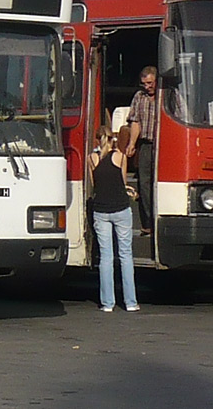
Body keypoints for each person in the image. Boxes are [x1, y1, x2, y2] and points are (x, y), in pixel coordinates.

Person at [90, 125, 139, 312]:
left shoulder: (91, 159)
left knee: (106, 257)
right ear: (112, 140)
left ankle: (107, 303)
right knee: (125, 255)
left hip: (101, 211)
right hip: (120, 209)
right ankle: (131, 302)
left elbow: (96, 185)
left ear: (98, 140)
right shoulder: (120, 157)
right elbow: (122, 182)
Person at [126, 66, 158, 236]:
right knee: (144, 184)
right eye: (144, 84)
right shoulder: (139, 97)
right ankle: (148, 223)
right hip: (145, 145)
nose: (147, 87)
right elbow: (135, 121)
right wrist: (132, 143)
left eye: (150, 83)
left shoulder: (168, 96)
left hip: (164, 145)